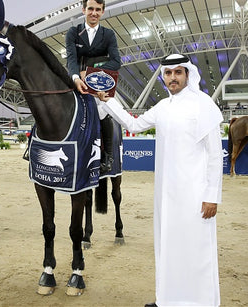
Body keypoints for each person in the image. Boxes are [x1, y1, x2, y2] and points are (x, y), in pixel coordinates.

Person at [96, 54, 223, 307]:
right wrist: (108, 100)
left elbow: (215, 155)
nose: (173, 78)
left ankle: (201, 302)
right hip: (166, 194)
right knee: (168, 248)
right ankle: (167, 300)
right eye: (168, 73)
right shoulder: (163, 107)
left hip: (195, 195)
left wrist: (212, 196)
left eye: (178, 72)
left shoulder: (203, 104)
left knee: (196, 250)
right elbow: (133, 123)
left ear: (187, 74)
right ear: (163, 76)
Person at [65, 0, 121, 173]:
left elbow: (116, 62)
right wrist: (76, 77)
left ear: (103, 12)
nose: (94, 13)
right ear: (83, 10)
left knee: (103, 110)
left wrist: (92, 73)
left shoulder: (109, 34)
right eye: (90, 9)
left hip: (99, 84)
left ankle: (108, 156)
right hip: (76, 80)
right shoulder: (73, 33)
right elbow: (71, 60)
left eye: (98, 10)